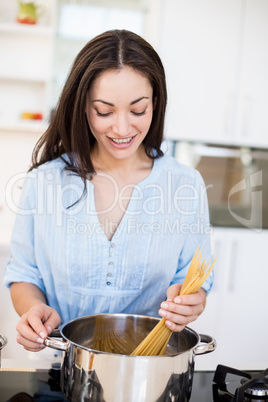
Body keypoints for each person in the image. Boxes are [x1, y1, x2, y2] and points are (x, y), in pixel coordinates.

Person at [3, 29, 213, 352]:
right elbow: (23, 273)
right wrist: (33, 309)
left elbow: (192, 279)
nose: (123, 129)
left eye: (138, 110)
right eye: (104, 111)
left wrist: (191, 300)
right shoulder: (44, 181)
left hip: (148, 373)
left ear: (155, 103)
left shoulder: (185, 186)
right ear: (83, 107)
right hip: (62, 368)